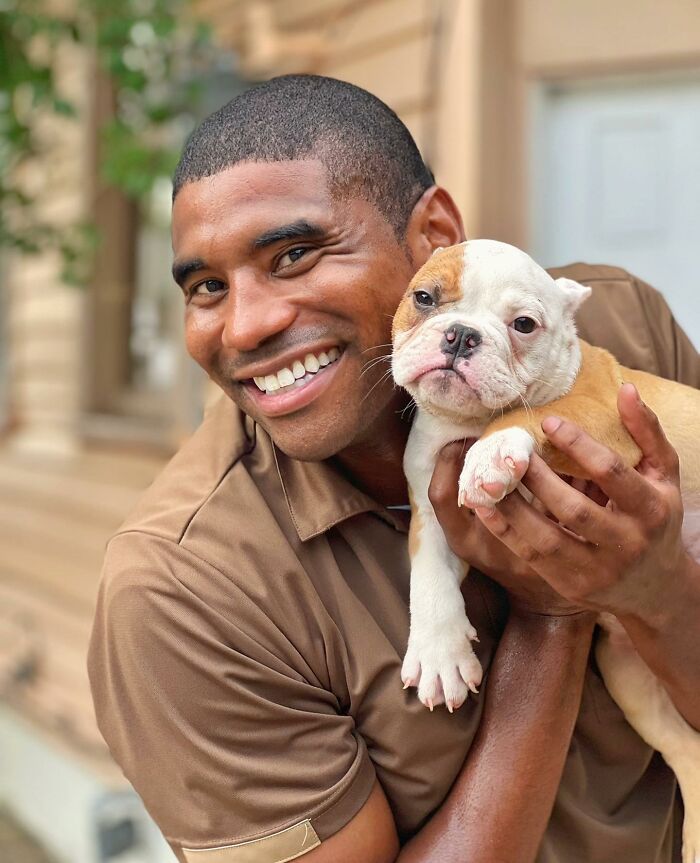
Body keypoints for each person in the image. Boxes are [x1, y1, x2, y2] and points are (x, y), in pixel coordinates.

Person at [87, 75, 700, 863]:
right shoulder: (186, 589)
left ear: (433, 234)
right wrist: (553, 614)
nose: (246, 325)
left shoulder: (614, 333)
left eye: (296, 253)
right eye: (208, 286)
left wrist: (658, 591)